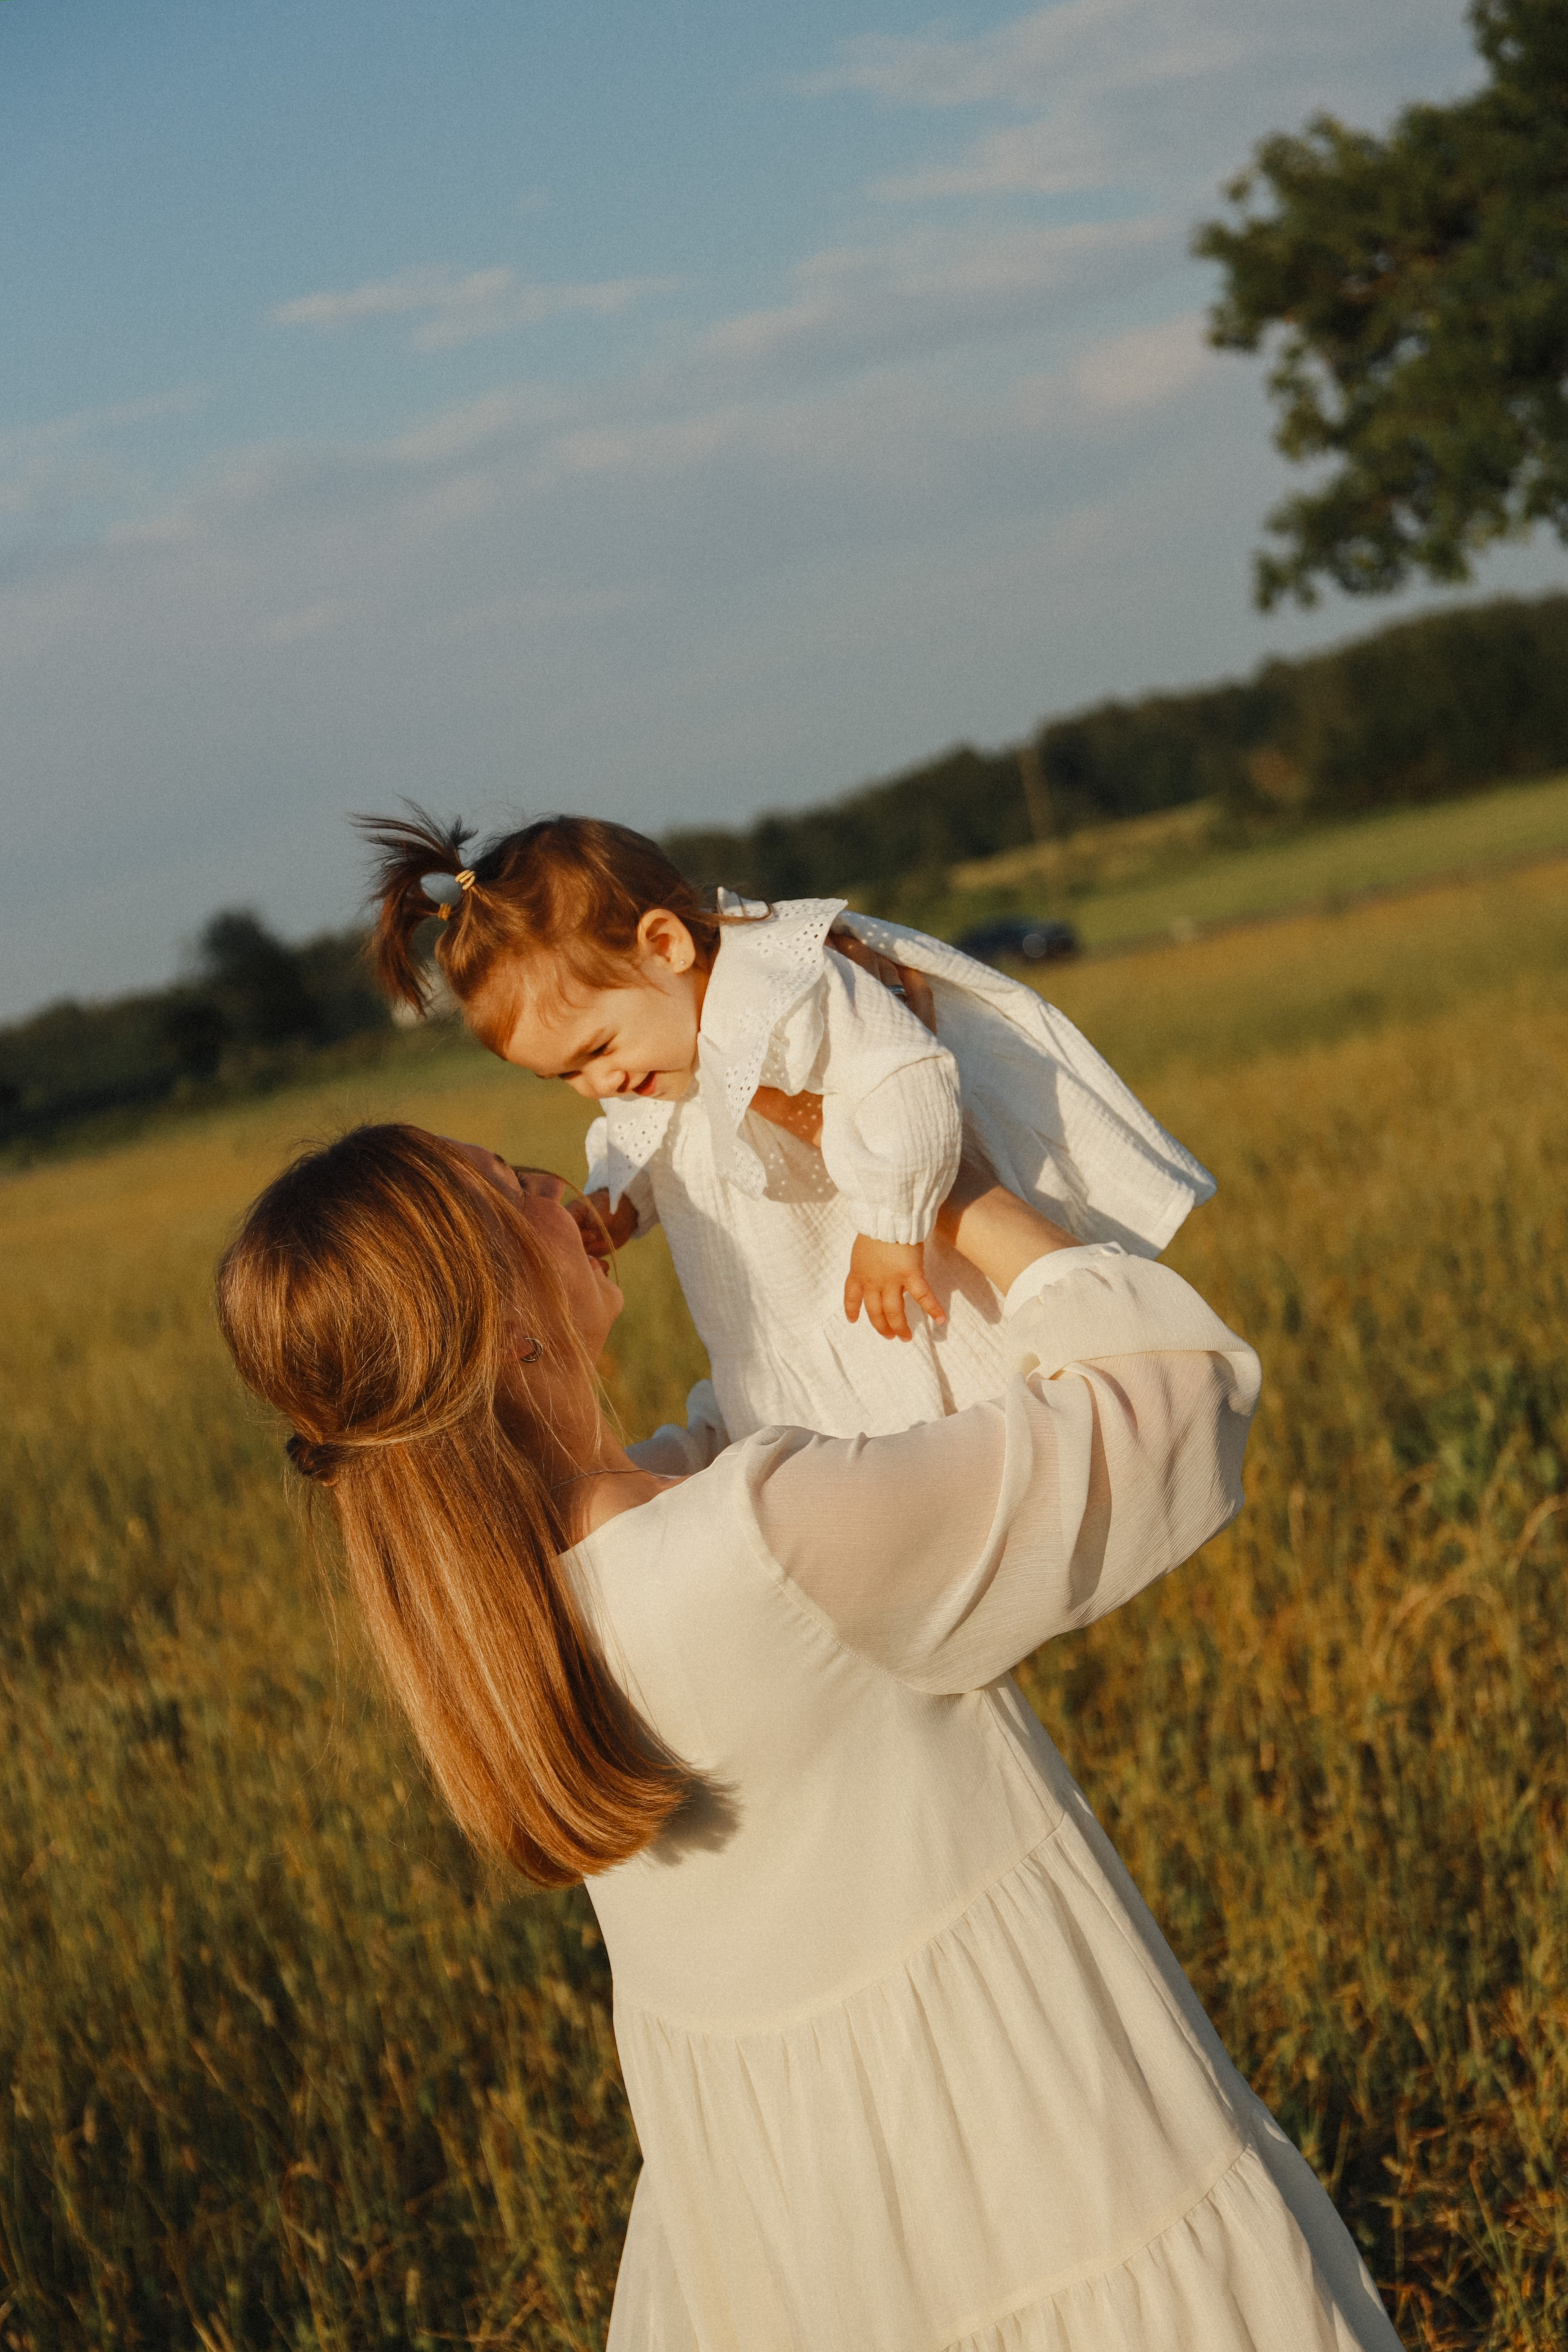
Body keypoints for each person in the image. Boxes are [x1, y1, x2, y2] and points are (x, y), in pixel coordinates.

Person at [216, 1121, 1404, 2351]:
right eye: (510, 1188)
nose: (556, 1186)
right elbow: (1173, 1404)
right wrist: (962, 1194)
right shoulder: (762, 1543)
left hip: (803, 2238)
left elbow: (786, 1415)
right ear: (496, 1324)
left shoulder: (516, 1614)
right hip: (1028, 2167)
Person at [359, 810, 1215, 1442]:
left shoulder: (789, 985)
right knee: (822, 1423)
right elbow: (635, 1136)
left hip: (893, 1263)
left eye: (597, 1050)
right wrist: (615, 1201)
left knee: (941, 1406)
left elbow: (906, 1081)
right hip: (777, 1310)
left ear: (665, 945)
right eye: (566, 1076)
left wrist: (890, 1225)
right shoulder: (657, 1044)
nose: (598, 1085)